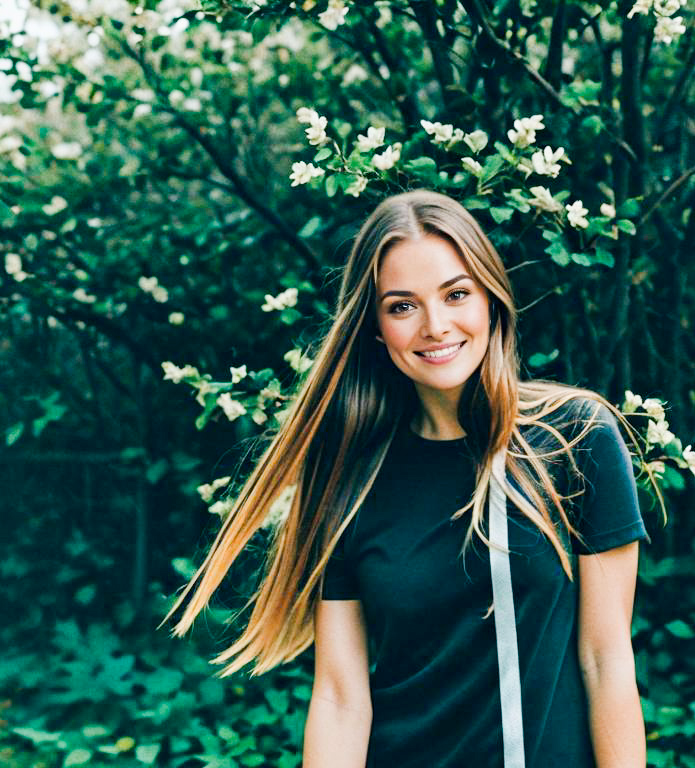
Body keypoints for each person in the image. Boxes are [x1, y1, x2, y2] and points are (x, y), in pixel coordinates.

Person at [163, 189, 653, 768]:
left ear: (492, 299)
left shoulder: (575, 437)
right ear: (375, 328)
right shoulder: (349, 478)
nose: (435, 326)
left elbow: (606, 659)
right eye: (402, 306)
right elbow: (342, 698)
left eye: (456, 294)